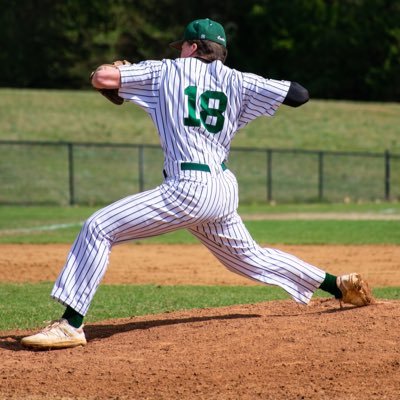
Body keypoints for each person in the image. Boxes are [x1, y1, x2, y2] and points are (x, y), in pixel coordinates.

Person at [21, 18, 373, 349]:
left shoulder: (166, 71)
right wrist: (253, 82)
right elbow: (299, 94)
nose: (178, 52)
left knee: (99, 227)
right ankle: (340, 285)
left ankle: (70, 323)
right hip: (221, 187)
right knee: (249, 257)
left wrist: (124, 71)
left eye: (182, 46)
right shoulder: (237, 80)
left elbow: (102, 78)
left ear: (191, 46)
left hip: (188, 186)